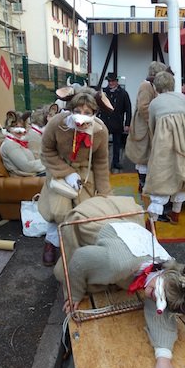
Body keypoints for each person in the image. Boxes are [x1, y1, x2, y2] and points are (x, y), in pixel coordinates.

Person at [64, 218, 185, 368]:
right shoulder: (119, 264)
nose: (156, 298)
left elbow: (161, 315)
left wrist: (164, 358)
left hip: (135, 243)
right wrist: (75, 294)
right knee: (90, 281)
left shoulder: (166, 272)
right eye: (159, 294)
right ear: (164, 277)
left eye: (160, 299)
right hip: (115, 235)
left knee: (133, 288)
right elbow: (79, 258)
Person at [38, 88, 111, 266]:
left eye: (87, 112)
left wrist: (104, 193)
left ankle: (77, 248)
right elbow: (46, 150)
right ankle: (51, 243)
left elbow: (101, 163)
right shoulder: (57, 124)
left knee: (85, 212)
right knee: (59, 211)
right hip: (59, 170)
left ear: (94, 113)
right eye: (77, 111)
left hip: (85, 175)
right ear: (71, 110)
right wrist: (67, 173)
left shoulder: (100, 131)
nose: (81, 116)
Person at [144, 71, 185, 225]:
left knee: (161, 177)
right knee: (181, 173)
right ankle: (176, 216)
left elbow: (152, 125)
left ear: (156, 86)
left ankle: (152, 224)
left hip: (164, 142)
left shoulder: (155, 102)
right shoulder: (182, 97)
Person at [125, 61, 168, 194]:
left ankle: (145, 183)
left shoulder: (151, 85)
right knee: (143, 156)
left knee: (146, 155)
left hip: (145, 126)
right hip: (143, 127)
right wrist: (153, 122)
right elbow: (144, 107)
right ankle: (143, 184)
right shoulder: (146, 85)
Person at [98, 72, 132, 170]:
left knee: (117, 145)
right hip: (105, 122)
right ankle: (102, 162)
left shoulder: (123, 93)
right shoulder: (103, 92)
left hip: (117, 122)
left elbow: (128, 109)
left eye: (113, 81)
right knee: (103, 144)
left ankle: (116, 162)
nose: (111, 83)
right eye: (109, 81)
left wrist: (127, 124)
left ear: (117, 82)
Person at [0, 110, 46, 177]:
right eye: (16, 127)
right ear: (9, 128)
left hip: (35, 174)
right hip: (26, 179)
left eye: (22, 127)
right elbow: (27, 167)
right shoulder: (10, 145)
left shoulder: (19, 141)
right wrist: (49, 163)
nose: (20, 131)